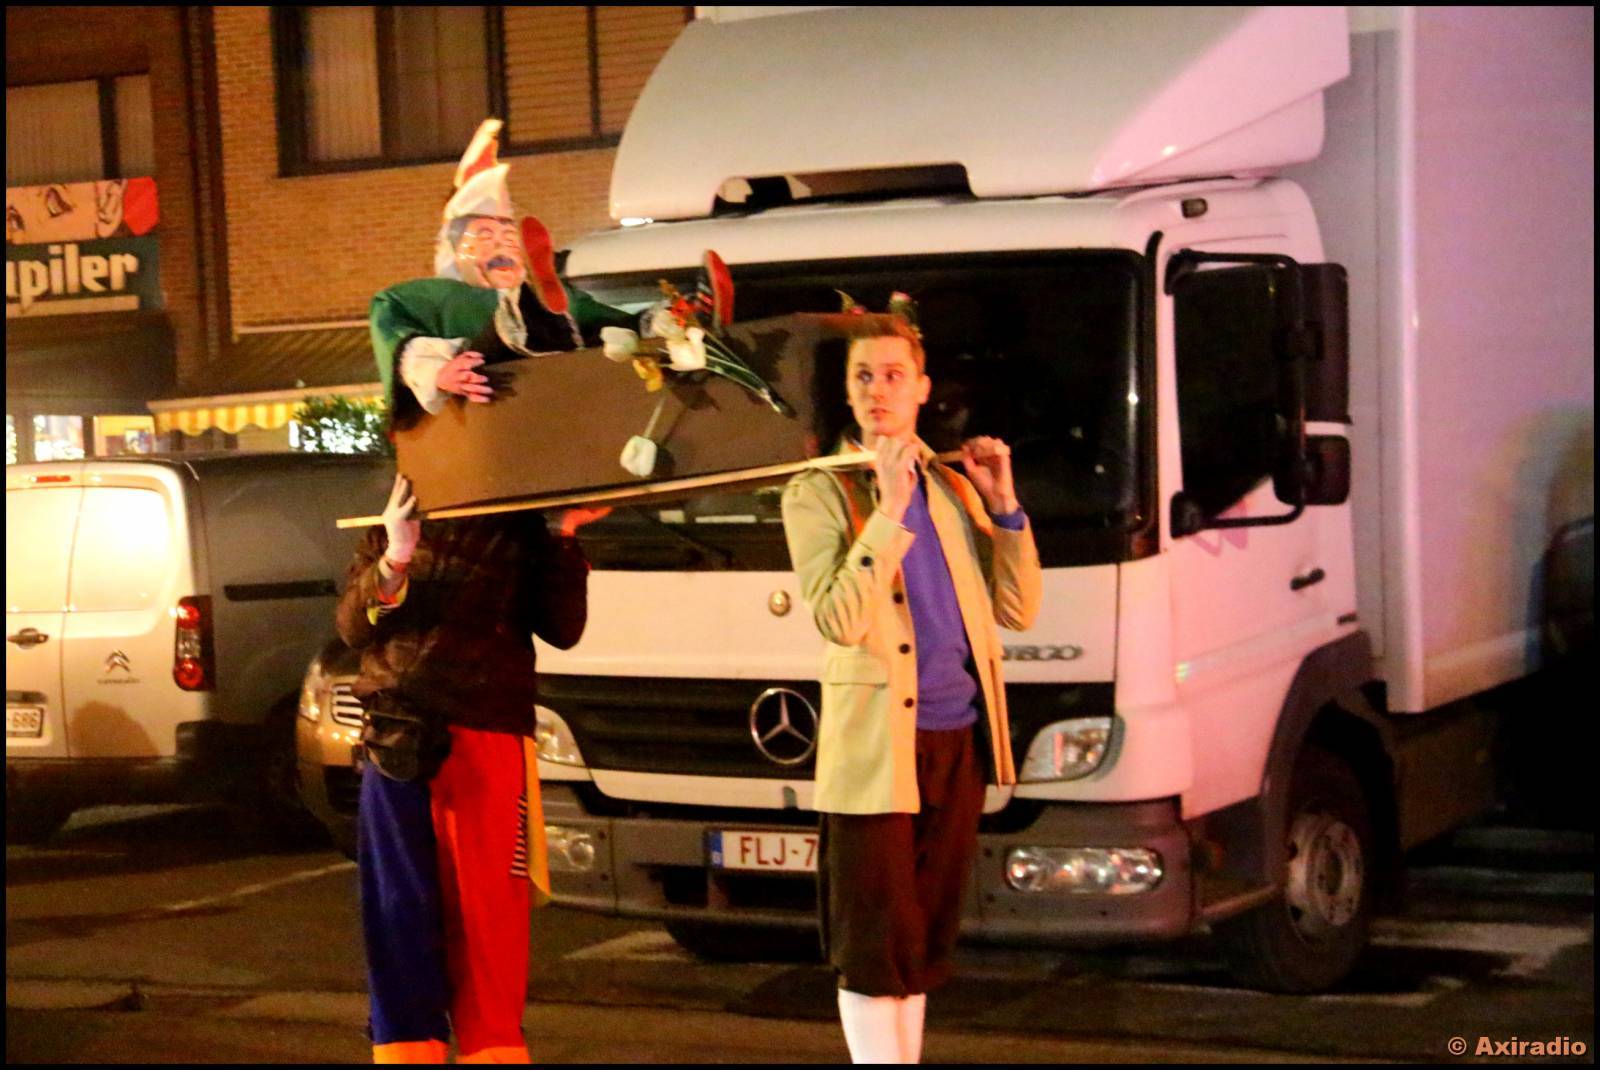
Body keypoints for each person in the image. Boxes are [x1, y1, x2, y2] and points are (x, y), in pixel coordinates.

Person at [339, 118, 616, 1065]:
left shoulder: (534, 510)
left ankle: (493, 1049)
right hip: (401, 731)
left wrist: (566, 538)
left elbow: (563, 629)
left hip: (491, 727)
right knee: (399, 917)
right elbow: (353, 622)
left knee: (491, 920)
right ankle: (410, 1052)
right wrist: (395, 559)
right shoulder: (406, 484)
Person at [781, 314, 1042, 1064]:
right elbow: (839, 617)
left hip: (956, 740)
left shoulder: (950, 486)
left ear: (923, 389)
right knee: (875, 944)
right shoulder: (820, 489)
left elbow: (1017, 609)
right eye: (863, 376)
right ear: (847, 391)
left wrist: (1005, 507)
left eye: (894, 375)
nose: (878, 390)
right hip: (875, 752)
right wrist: (889, 511)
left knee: (923, 942)